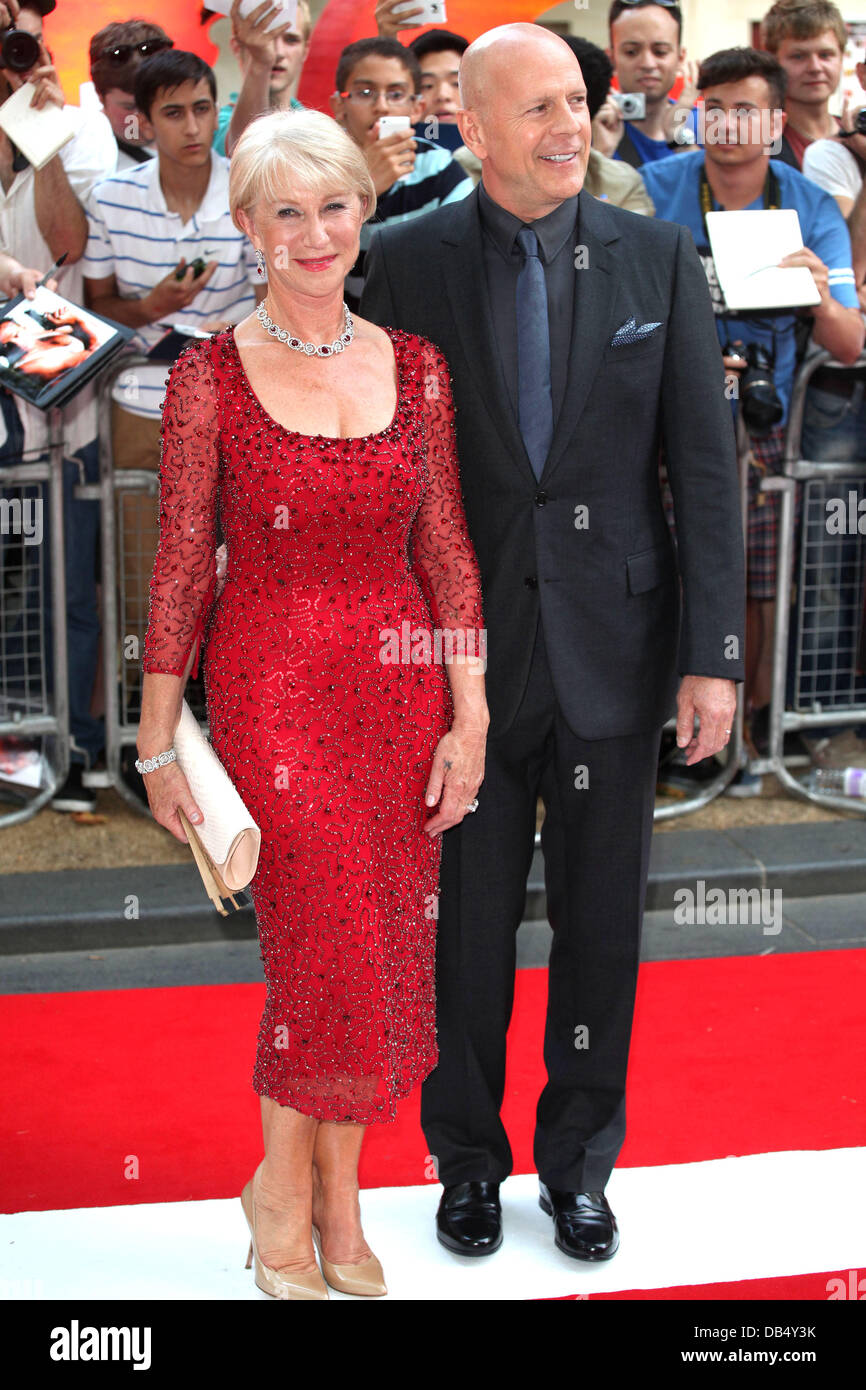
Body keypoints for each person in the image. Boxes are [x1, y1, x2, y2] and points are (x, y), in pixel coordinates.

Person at [361, 23, 745, 1263]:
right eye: (534, 109)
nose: (567, 125)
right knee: (461, 931)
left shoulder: (655, 256)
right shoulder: (399, 262)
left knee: (600, 928)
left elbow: (702, 465)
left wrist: (711, 657)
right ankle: (466, 1161)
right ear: (468, 131)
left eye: (574, 102)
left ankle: (579, 1164)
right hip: (458, 668)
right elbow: (377, 482)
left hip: (616, 651)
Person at [136, 107, 486, 1298]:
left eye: (334, 204)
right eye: (286, 211)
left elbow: (444, 549)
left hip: (399, 692)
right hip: (273, 689)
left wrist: (469, 711)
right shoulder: (207, 379)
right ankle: (300, 1197)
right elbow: (182, 566)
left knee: (381, 953)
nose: (316, 230)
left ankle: (312, 1195)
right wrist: (155, 747)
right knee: (327, 945)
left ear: (361, 210)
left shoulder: (420, 367)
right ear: (249, 228)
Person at [641, 47, 863, 770]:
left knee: (756, 584)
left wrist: (819, 297)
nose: (729, 122)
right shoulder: (653, 189)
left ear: (774, 120)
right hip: (664, 422)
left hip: (766, 426)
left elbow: (853, 343)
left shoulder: (808, 203)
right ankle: (671, 735)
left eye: (747, 108)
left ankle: (741, 739)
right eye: (716, 105)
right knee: (667, 575)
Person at [83, 48, 264, 800]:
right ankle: (146, 742)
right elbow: (93, 307)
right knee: (142, 577)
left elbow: (272, 302)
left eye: (203, 108)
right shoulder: (110, 198)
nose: (193, 127)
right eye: (173, 112)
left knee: (236, 574)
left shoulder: (248, 192)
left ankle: (234, 733)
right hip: (136, 408)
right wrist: (149, 310)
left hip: (233, 410)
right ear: (142, 121)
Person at [0, 0, 117, 812]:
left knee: (72, 587)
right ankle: (13, 746)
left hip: (60, 413)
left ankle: (73, 748)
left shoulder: (79, 124)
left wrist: (42, 144)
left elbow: (68, 242)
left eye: (24, 37)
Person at [330, 37, 474, 308]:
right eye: (364, 93)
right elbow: (313, 258)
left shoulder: (440, 168)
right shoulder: (317, 168)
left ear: (417, 108)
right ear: (339, 105)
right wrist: (365, 188)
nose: (382, 106)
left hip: (421, 327)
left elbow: (462, 261)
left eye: (395, 94)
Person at [593, 0, 698, 167]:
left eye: (660, 52)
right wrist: (600, 155)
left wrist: (679, 140)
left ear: (680, 58)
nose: (648, 63)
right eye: (631, 52)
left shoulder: (710, 126)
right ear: (611, 58)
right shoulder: (591, 130)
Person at [563, 36, 655, 213]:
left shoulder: (622, 182)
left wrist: (598, 155)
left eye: (577, 101)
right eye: (539, 107)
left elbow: (637, 238)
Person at [213, 0, 311, 158]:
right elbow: (246, 150)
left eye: (291, 40)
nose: (277, 52)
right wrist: (260, 63)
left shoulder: (319, 129)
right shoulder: (210, 126)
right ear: (237, 47)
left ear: (305, 51)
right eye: (265, 36)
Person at [761, 0, 848, 171]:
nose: (815, 67)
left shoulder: (857, 138)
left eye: (825, 55)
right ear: (772, 61)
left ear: (841, 58)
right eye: (798, 56)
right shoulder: (758, 146)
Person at [88, 20, 172, 170]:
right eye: (130, 107)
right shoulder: (89, 158)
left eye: (155, 102)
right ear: (99, 95)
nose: (144, 118)